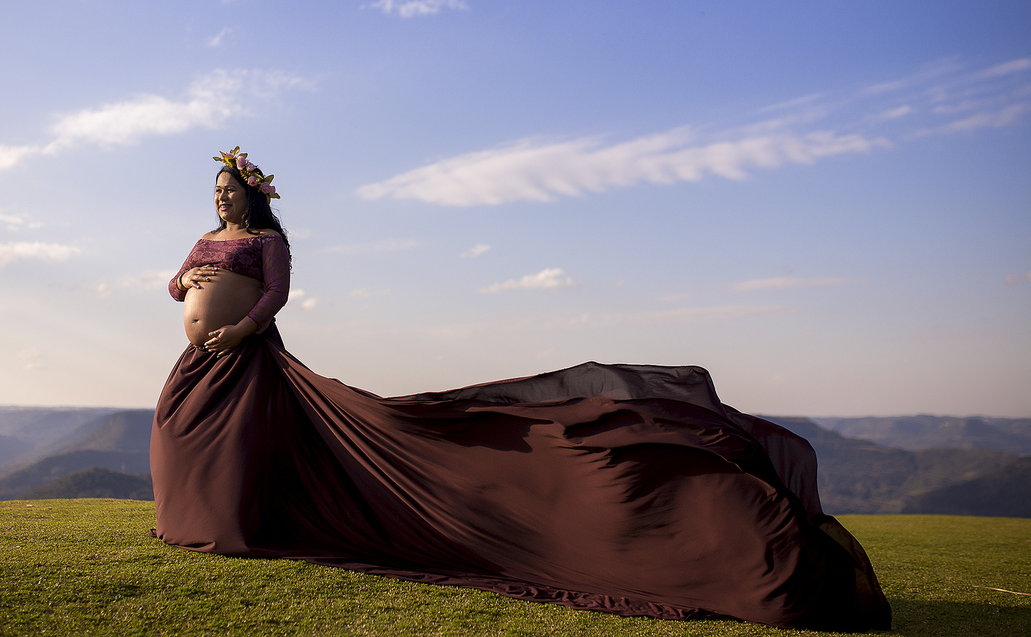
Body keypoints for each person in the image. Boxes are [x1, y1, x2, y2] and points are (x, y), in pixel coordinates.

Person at [150, 147, 891, 631]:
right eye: (215, 192)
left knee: (251, 445)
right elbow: (173, 284)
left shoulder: (270, 242)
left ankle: (232, 521)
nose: (222, 201)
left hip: (246, 356)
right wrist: (192, 280)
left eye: (231, 191)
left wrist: (240, 327)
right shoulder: (202, 240)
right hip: (198, 362)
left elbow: (276, 297)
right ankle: (191, 516)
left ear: (254, 197)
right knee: (174, 433)